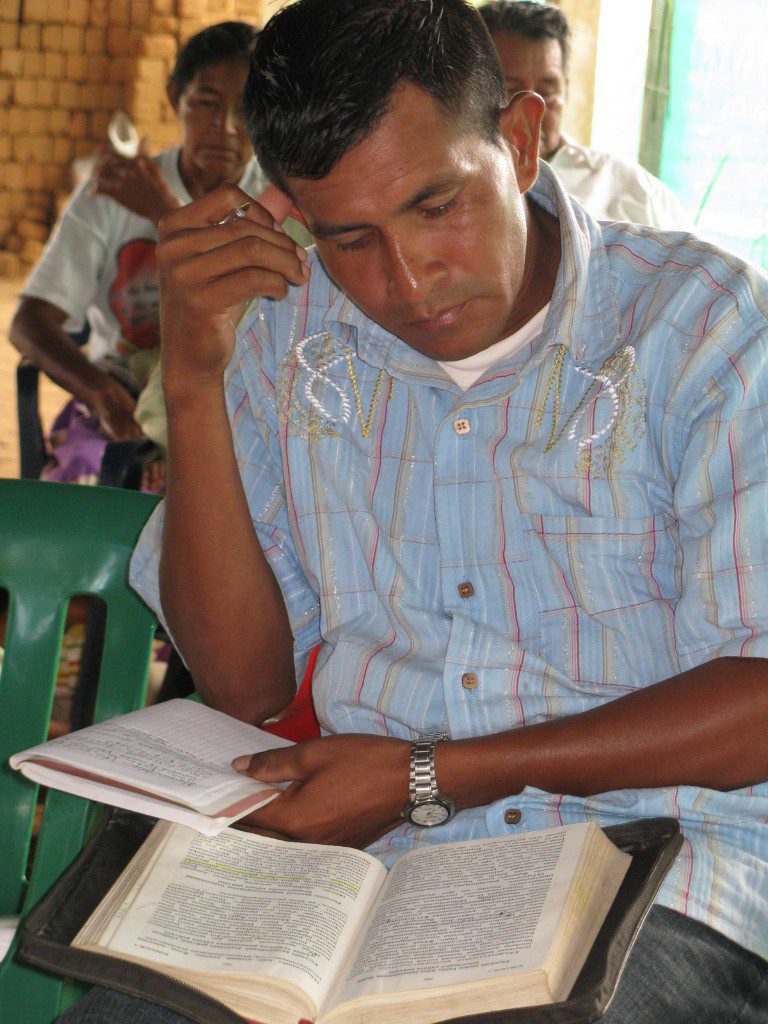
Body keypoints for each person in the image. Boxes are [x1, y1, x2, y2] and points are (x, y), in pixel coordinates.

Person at [60, 0, 767, 1021]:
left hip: (655, 872)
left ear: (521, 139)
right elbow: (248, 687)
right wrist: (199, 378)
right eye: (349, 238)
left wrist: (434, 774)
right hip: (368, 877)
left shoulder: (699, 330)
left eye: (438, 205)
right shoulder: (286, 337)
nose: (406, 281)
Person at [9, 20, 305, 485]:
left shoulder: (278, 199)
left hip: (230, 398)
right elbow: (30, 324)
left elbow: (246, 314)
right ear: (173, 98)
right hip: (124, 398)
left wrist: (162, 211)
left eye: (245, 108)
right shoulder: (115, 191)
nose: (225, 128)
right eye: (205, 104)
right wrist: (102, 393)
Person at [479, 0, 692, 230]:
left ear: (566, 91)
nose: (532, 107)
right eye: (512, 90)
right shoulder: (452, 189)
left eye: (547, 92)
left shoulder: (628, 188)